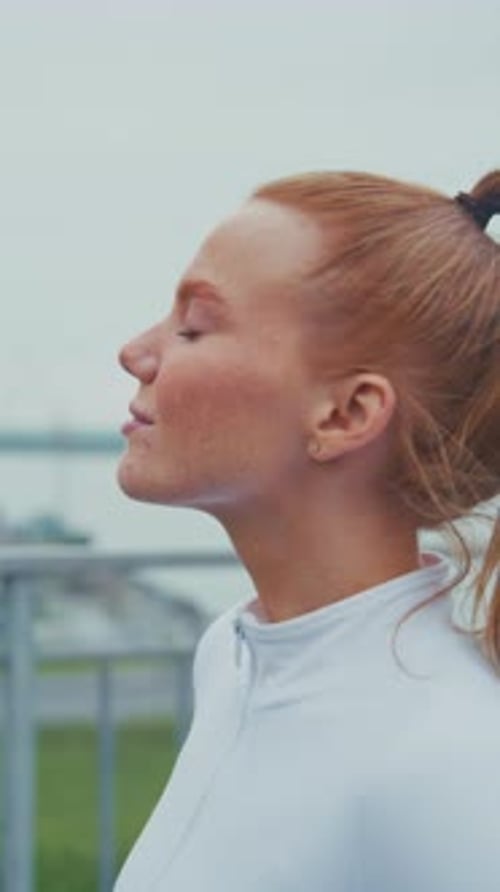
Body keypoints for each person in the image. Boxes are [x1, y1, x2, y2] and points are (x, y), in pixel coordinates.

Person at [114, 169, 500, 891]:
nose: (136, 353)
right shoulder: (230, 658)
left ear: (347, 415)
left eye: (194, 327)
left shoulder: (454, 766)